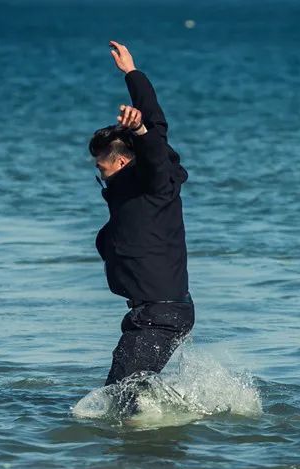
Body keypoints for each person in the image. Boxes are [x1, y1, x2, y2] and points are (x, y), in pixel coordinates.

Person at [88, 41, 194, 391]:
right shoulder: (142, 178)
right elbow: (156, 119)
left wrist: (139, 132)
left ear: (120, 162)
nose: (100, 174)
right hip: (155, 313)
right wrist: (132, 73)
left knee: (118, 398)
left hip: (158, 316)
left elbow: (153, 152)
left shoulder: (153, 182)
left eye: (101, 167)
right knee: (126, 393)